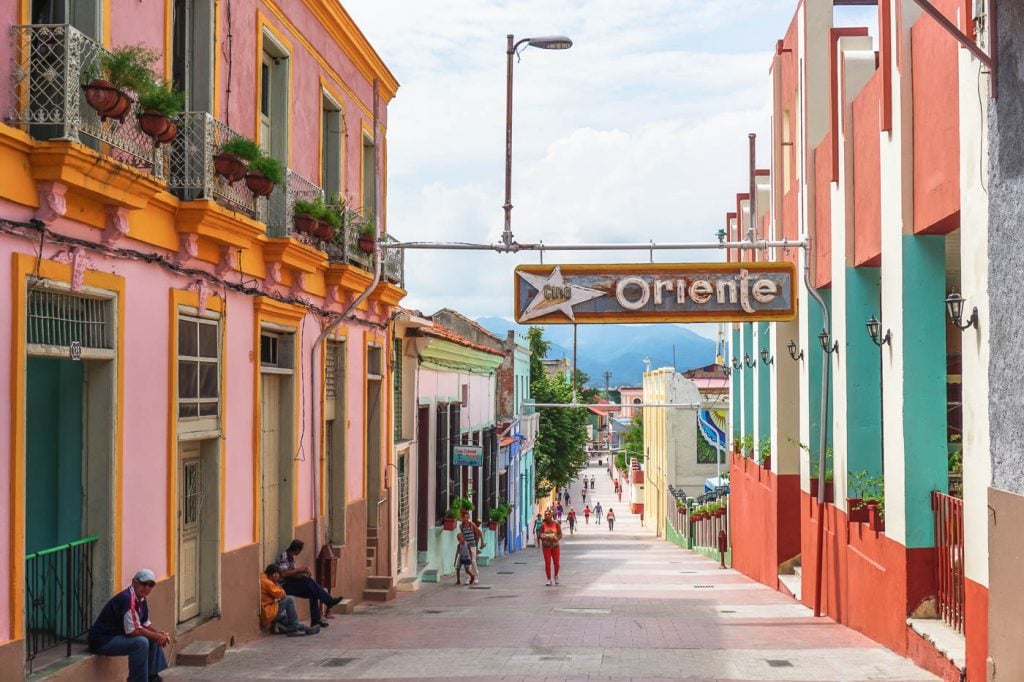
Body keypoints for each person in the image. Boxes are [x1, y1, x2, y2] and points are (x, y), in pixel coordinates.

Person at [88, 568, 170, 682]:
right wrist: (157, 637)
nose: (146, 588)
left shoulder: (141, 598)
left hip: (117, 636)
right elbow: (134, 631)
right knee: (141, 642)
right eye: (143, 583)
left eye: (150, 585)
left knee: (152, 638)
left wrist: (159, 634)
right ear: (134, 582)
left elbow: (145, 623)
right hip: (102, 640)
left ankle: (152, 677)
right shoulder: (127, 599)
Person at [277, 539, 343, 628]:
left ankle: (316, 621)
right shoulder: (284, 555)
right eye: (300, 550)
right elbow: (284, 573)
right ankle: (329, 601)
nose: (299, 552)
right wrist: (299, 570)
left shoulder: (291, 558)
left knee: (313, 592)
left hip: (291, 583)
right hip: (284, 586)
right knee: (310, 582)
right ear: (297, 549)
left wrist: (303, 573)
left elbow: (292, 573)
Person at [261, 565, 319, 636]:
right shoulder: (268, 582)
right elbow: (282, 595)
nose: (278, 577)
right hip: (268, 612)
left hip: (270, 609)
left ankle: (304, 628)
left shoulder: (265, 578)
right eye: (277, 574)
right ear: (273, 574)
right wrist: (276, 583)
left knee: (286, 616)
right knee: (289, 599)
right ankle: (293, 629)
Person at [459, 509, 485, 583]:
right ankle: (468, 577)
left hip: (473, 545)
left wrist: (482, 542)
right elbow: (463, 536)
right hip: (466, 547)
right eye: (464, 518)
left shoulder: (472, 524)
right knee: (467, 562)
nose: (466, 519)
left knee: (473, 561)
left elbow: (479, 532)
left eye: (467, 517)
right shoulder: (461, 526)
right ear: (462, 518)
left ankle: (476, 575)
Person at [538, 510, 563, 586]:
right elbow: (540, 534)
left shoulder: (556, 524)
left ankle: (556, 576)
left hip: (555, 546)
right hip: (546, 547)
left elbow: (560, 534)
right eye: (545, 515)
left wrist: (556, 538)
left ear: (551, 515)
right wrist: (544, 537)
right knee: (547, 563)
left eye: (548, 514)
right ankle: (549, 579)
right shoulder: (543, 525)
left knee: (557, 563)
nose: (547, 516)